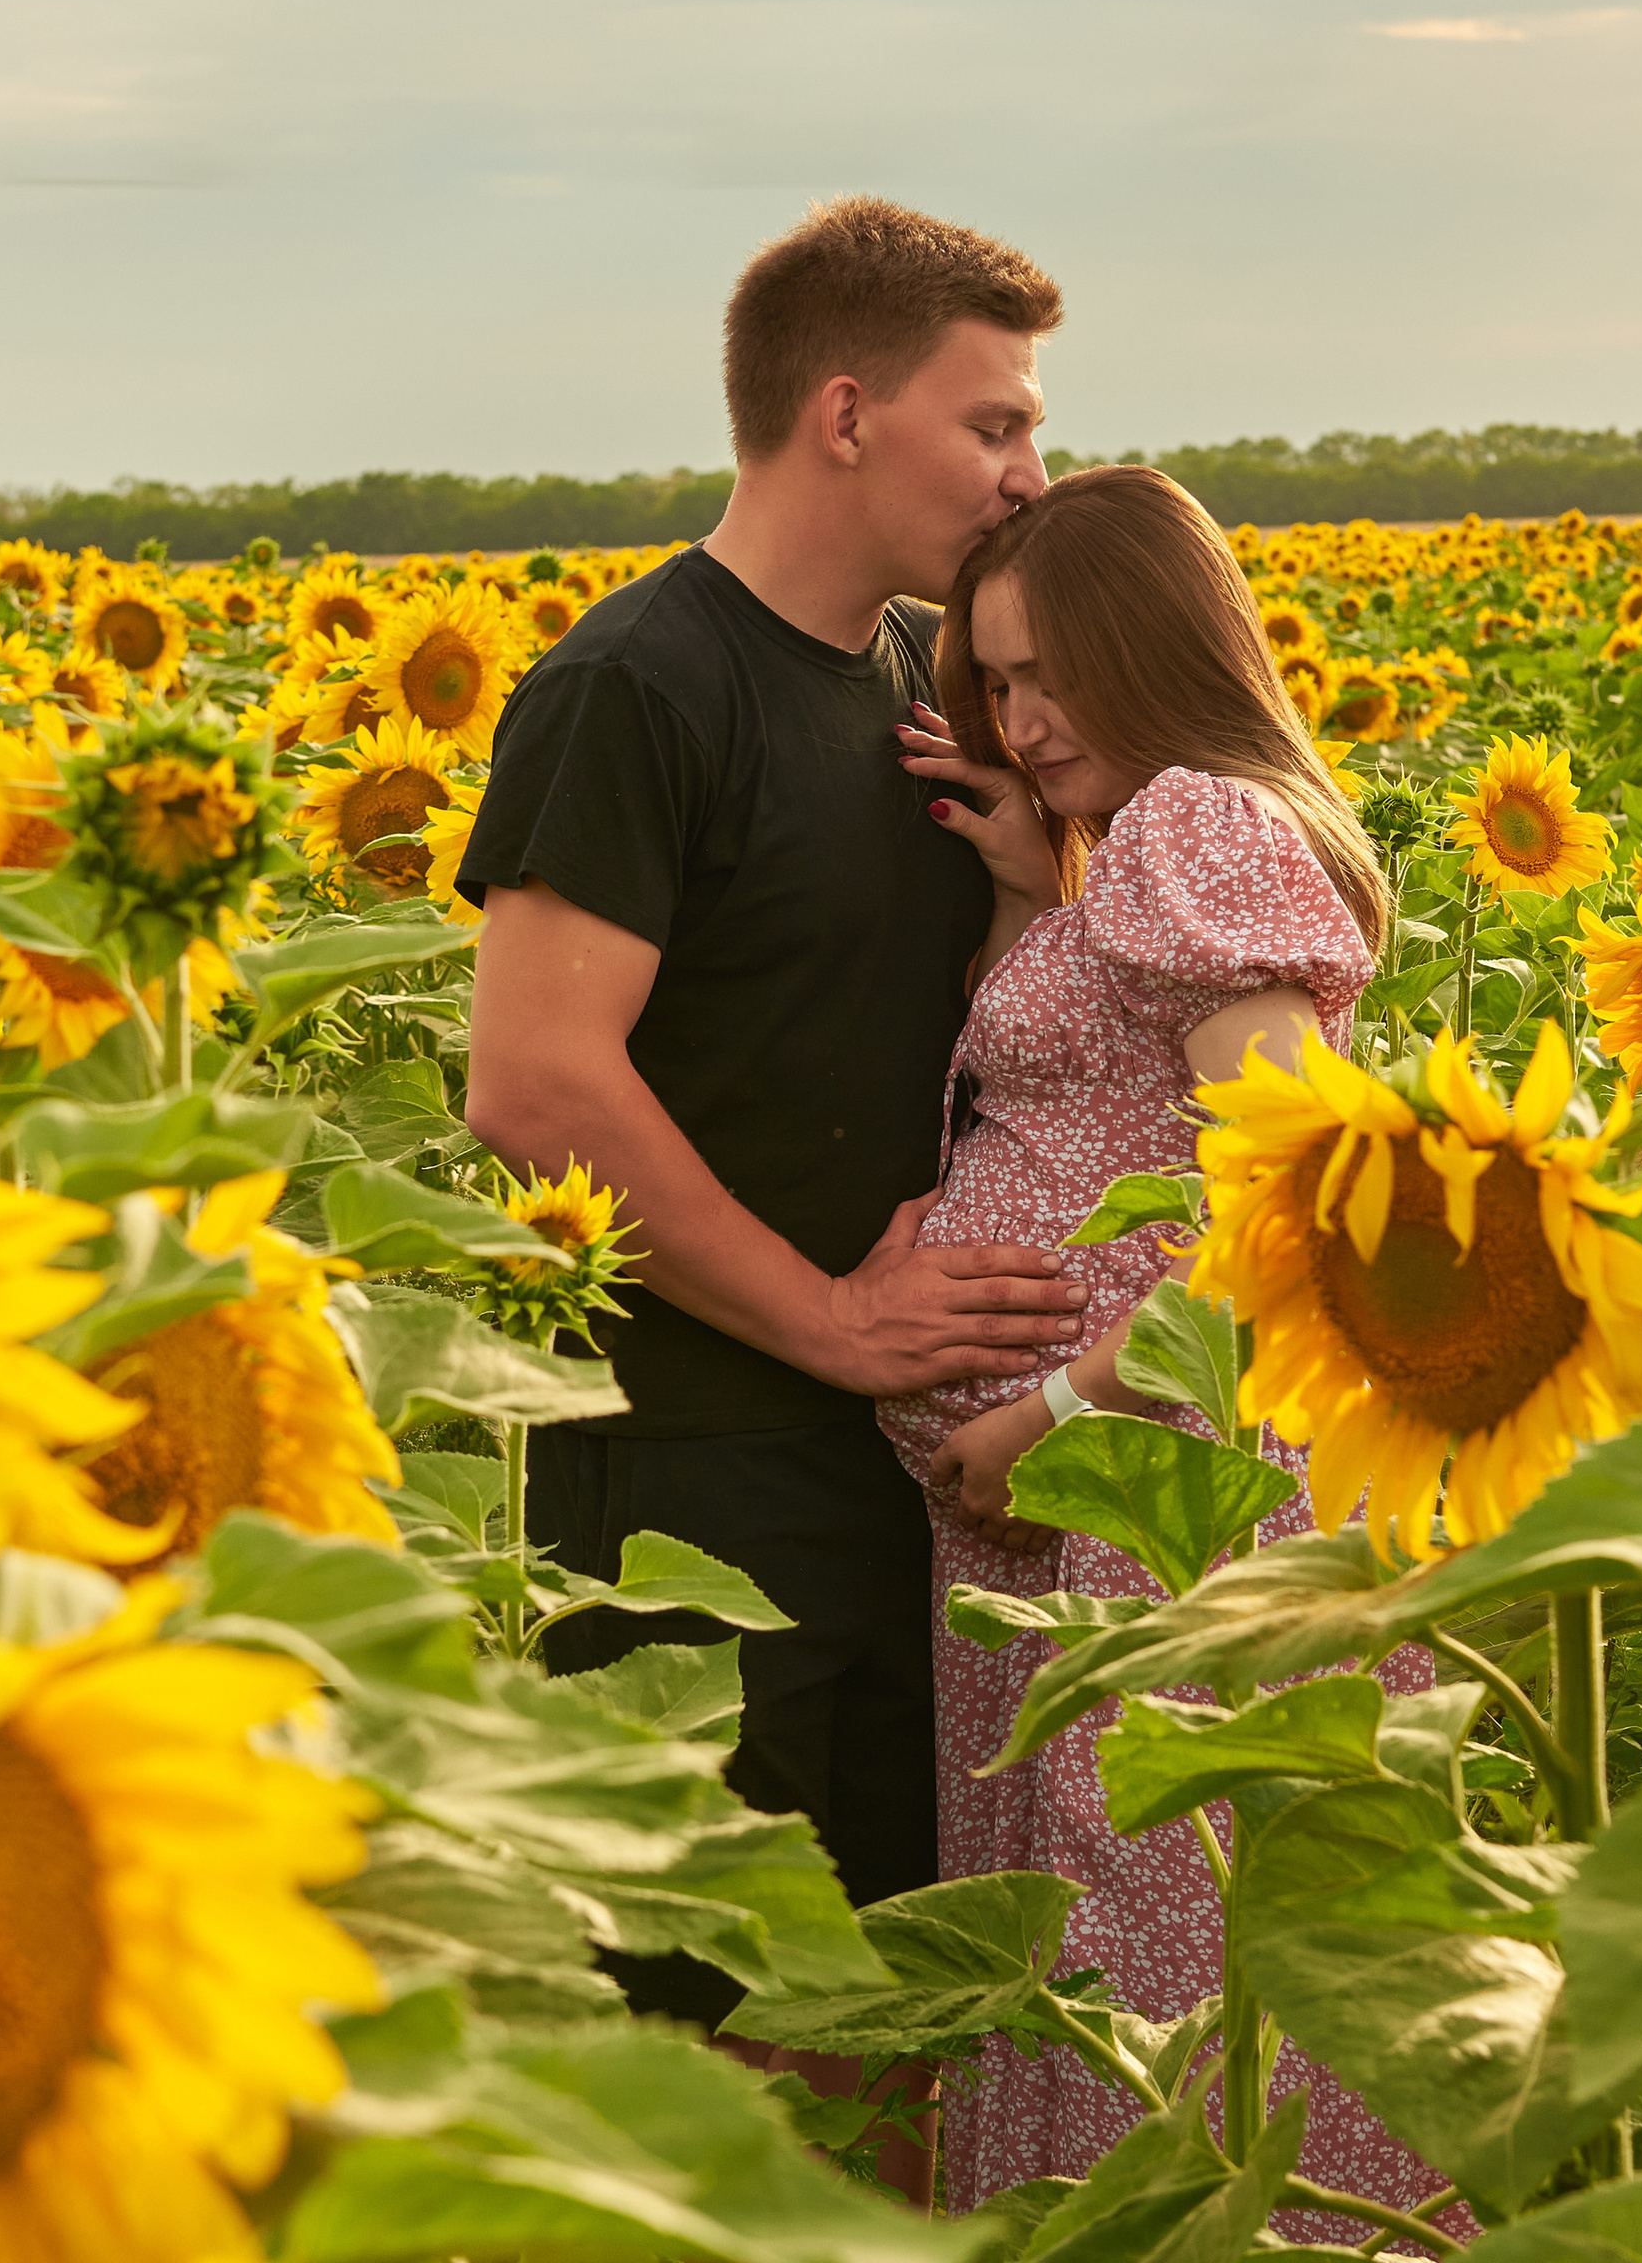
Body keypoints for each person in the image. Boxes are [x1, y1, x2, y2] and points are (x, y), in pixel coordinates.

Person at [458, 197, 1089, 2192]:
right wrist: (827, 1317)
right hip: (694, 1468)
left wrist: (1026, 879)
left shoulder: (912, 679)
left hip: (898, 1463)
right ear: (843, 413)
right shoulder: (641, 687)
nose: (1028, 471)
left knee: (884, 2015)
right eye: (993, 423)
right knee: (693, 2051)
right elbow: (536, 1083)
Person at [880, 463, 1452, 2231]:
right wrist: (1026, 887)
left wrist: (1055, 1411)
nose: (1025, 720)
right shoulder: (1129, 851)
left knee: (1176, 1965)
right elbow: (1088, 1088)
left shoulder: (1197, 824)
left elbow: (1299, 1198)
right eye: (1000, 682)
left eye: (1054, 674)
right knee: (1112, 1959)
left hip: (1161, 1497)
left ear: (1158, 652)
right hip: (1090, 1511)